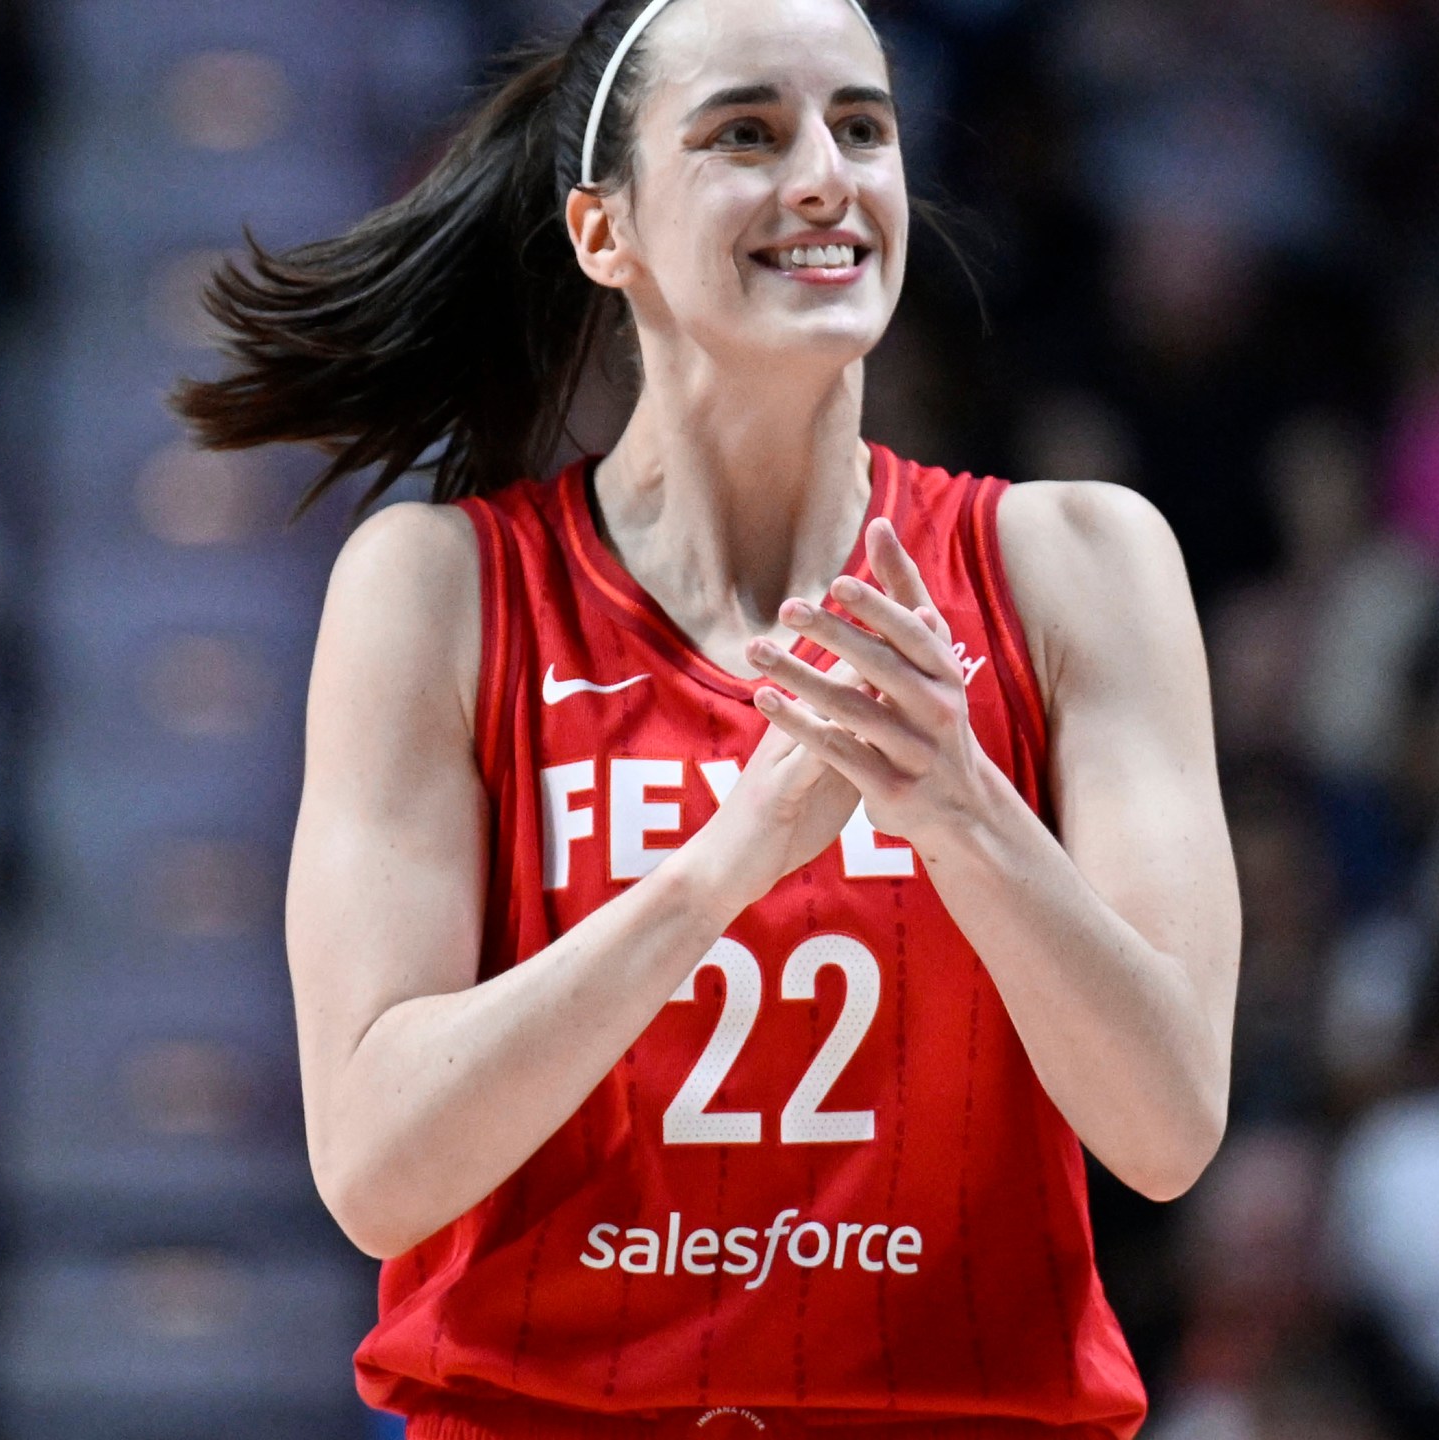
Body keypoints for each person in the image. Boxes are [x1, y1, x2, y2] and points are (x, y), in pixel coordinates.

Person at [173, 0, 1238, 1435]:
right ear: (602, 232)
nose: (825, 177)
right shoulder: (442, 590)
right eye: (748, 131)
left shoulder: (1078, 564)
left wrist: (964, 805)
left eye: (862, 127)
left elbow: (1168, 1127)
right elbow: (377, 1170)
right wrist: (723, 866)